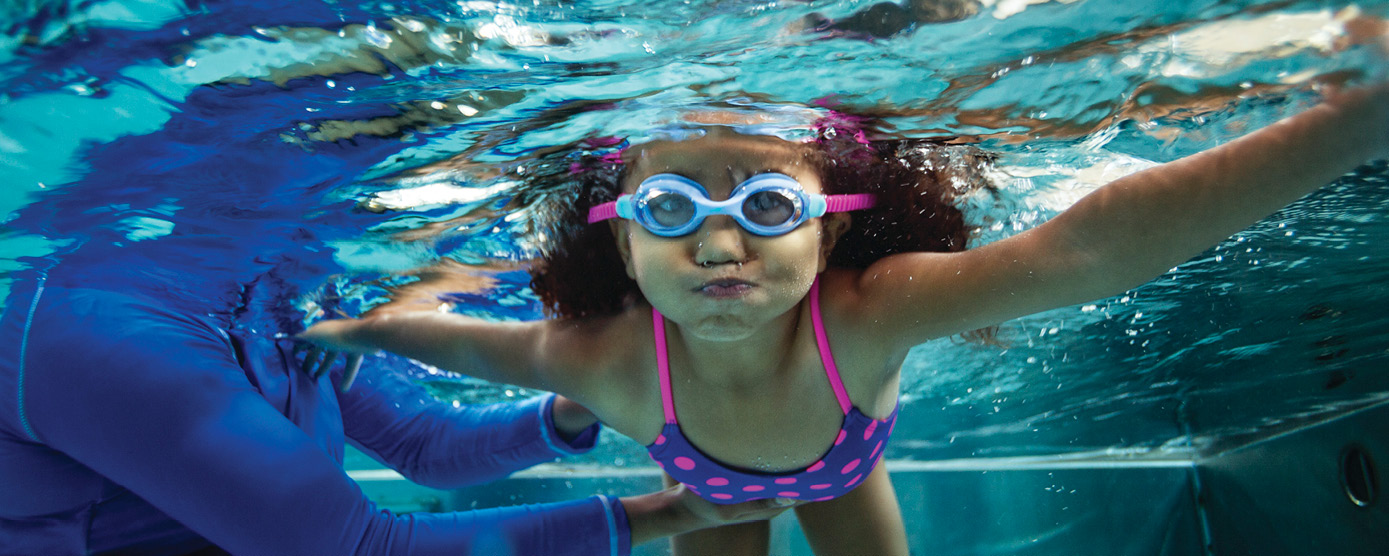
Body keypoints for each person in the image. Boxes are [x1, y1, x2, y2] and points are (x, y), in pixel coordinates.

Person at [301, 79, 1389, 556]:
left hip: (843, 474)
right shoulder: (615, 359)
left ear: (830, 231)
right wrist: (356, 332)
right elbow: (466, 343)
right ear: (619, 240)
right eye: (673, 209)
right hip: (704, 499)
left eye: (767, 205)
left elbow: (1083, 250)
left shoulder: (863, 314)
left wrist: (1349, 125)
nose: (719, 247)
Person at [0, 259, 797, 555]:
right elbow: (355, 546)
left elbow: (426, 443)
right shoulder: (95, 320)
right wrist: (661, 516)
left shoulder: (279, 302)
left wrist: (579, 407)